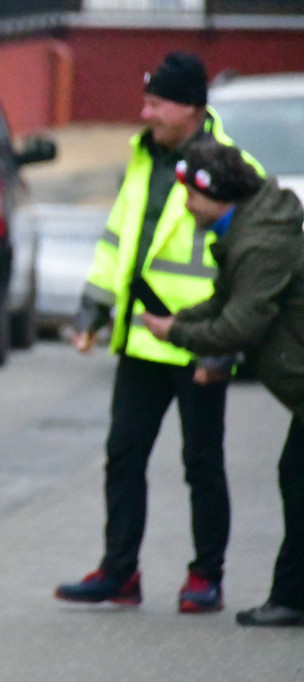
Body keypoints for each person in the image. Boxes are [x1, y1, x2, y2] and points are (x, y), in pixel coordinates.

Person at [55, 51, 261, 613]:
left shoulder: (230, 167)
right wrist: (91, 313)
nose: (144, 111)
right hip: (142, 339)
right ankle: (120, 571)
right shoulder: (143, 157)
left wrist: (228, 344)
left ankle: (206, 577)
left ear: (191, 107)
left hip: (201, 342)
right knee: (123, 456)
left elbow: (252, 263)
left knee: (202, 463)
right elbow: (117, 241)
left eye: (156, 102)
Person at [142, 139, 304, 627]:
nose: (186, 205)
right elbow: (227, 303)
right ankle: (292, 596)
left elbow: (240, 324)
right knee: (295, 477)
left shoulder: (259, 242)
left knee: (297, 479)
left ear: (215, 193)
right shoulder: (250, 231)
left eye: (190, 194)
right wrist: (185, 325)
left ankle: (292, 598)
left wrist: (179, 333)